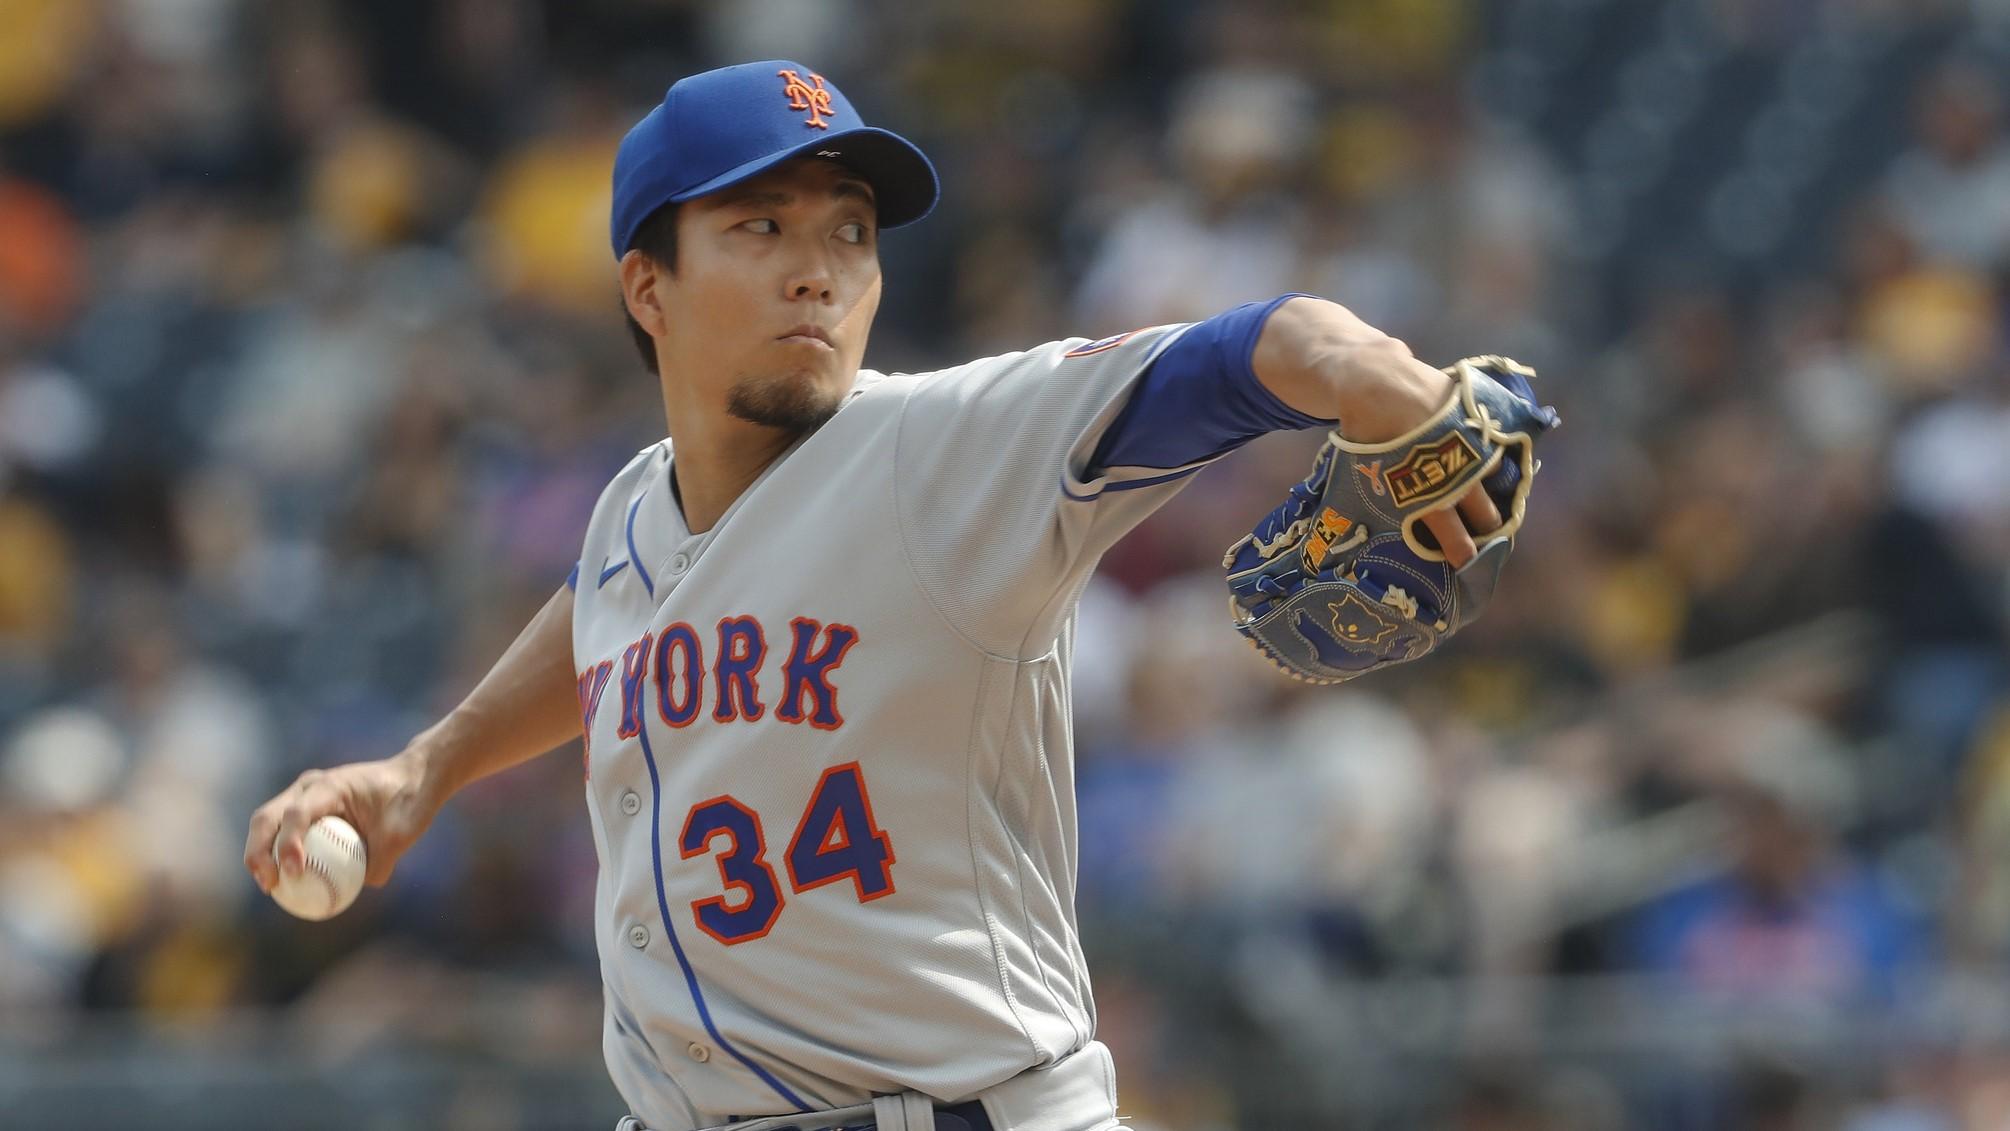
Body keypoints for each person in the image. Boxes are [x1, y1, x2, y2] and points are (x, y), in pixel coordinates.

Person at [243, 59, 1517, 1131]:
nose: (821, 270)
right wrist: (429, 768)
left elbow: (1267, 348)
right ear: (649, 286)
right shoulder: (636, 505)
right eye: (762, 227)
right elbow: (607, 606)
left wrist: (1373, 375)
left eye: (849, 230)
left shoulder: (944, 450)